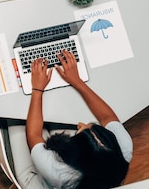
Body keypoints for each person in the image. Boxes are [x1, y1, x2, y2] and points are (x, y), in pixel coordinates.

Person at [15, 50, 133, 188]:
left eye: (80, 132)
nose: (79, 124)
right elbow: (108, 117)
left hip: (50, 182)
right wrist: (77, 81)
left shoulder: (58, 172)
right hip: (96, 178)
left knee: (17, 118)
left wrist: (37, 89)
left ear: (76, 155)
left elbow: (34, 135)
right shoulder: (124, 148)